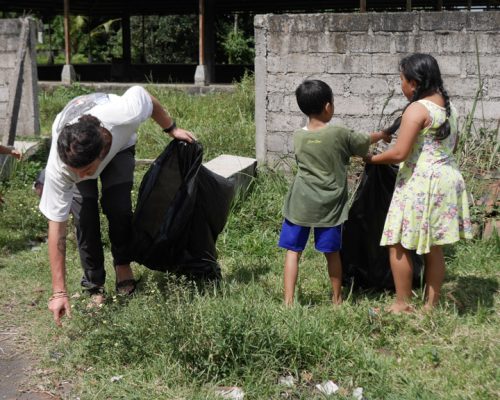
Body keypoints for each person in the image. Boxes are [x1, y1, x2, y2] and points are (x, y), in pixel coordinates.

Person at [41, 86, 195, 326]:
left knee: (119, 208)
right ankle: (94, 286)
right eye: (76, 173)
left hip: (120, 147)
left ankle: (123, 265)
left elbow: (147, 97)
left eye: (86, 172)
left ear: (102, 150)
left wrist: (171, 128)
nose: (81, 177)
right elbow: (57, 227)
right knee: (85, 218)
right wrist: (59, 292)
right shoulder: (61, 167)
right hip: (76, 136)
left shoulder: (124, 113)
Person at [364, 54, 472, 313]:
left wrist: (371, 158)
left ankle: (402, 304)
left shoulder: (417, 109)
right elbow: (452, 146)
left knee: (398, 242)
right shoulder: (449, 108)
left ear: (414, 83)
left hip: (421, 183)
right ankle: (430, 307)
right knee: (433, 246)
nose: (401, 86)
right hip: (447, 178)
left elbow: (400, 153)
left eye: (401, 80)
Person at [279, 79, 391, 306]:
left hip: (299, 203)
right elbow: (362, 141)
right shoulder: (339, 133)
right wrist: (382, 134)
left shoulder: (298, 136)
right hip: (329, 206)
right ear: (328, 106)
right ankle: (337, 299)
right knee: (332, 253)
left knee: (293, 252)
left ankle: (288, 302)